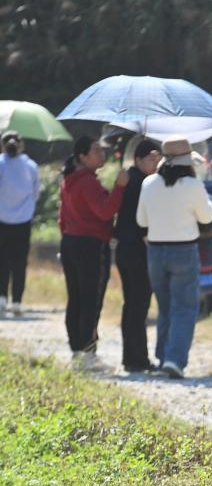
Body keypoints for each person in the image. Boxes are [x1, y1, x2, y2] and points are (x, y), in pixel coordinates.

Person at [136, 135, 212, 379]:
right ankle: (174, 359)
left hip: (156, 251)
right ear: (186, 160)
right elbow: (207, 217)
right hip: (184, 250)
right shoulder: (192, 185)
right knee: (185, 307)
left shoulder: (149, 183)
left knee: (166, 307)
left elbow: (141, 221)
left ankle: (162, 358)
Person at [58, 136, 129, 368]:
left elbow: (62, 218)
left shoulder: (68, 179)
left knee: (76, 298)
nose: (102, 154)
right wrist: (119, 187)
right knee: (91, 300)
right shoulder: (87, 181)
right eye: (96, 150)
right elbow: (105, 211)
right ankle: (88, 354)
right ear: (82, 156)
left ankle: (77, 351)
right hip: (90, 244)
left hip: (70, 242)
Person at [114, 139, 161, 372]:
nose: (156, 163)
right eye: (152, 158)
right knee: (137, 304)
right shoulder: (140, 182)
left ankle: (133, 357)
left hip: (127, 250)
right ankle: (136, 359)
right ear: (139, 159)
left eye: (158, 158)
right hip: (135, 250)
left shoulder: (135, 179)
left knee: (133, 304)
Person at [0, 131, 40, 317]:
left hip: (2, 220)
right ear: (21, 145)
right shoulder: (30, 166)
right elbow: (35, 193)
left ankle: (1, 299)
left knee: (2, 260)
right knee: (19, 262)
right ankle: (17, 301)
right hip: (23, 220)